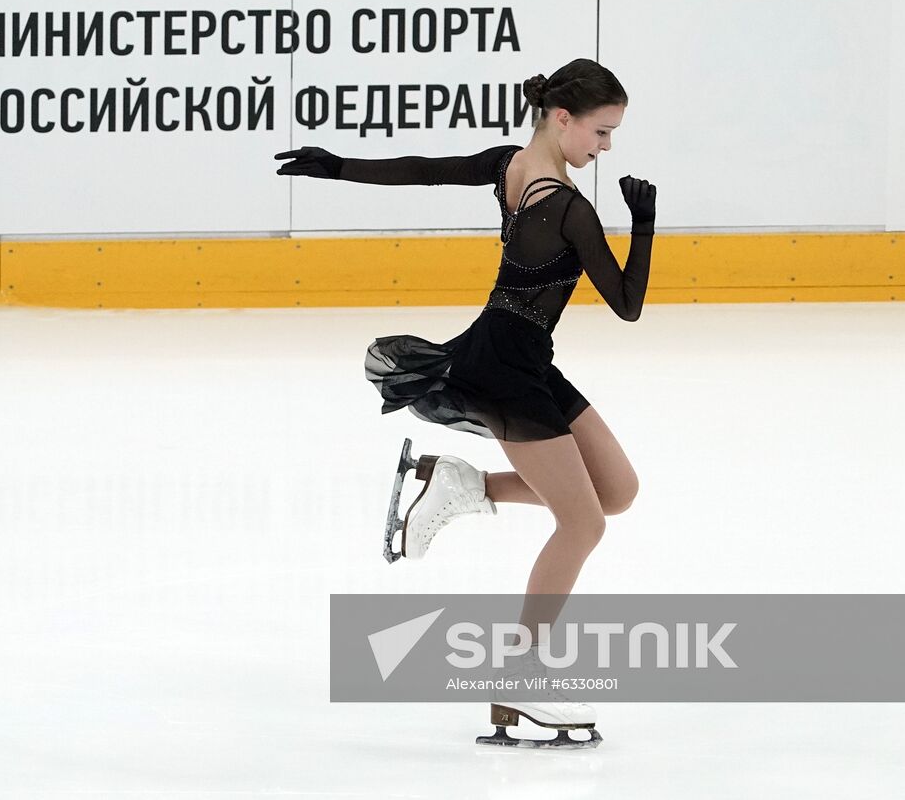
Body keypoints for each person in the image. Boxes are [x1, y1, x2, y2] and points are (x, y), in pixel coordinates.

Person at [275, 57, 656, 748]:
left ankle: (460, 484)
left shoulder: (509, 165)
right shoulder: (570, 210)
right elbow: (627, 304)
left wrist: (340, 166)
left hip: (521, 354)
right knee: (583, 524)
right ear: (562, 118)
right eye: (600, 134)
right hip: (507, 369)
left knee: (617, 492)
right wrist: (646, 222)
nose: (604, 150)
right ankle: (520, 676)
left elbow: (422, 168)